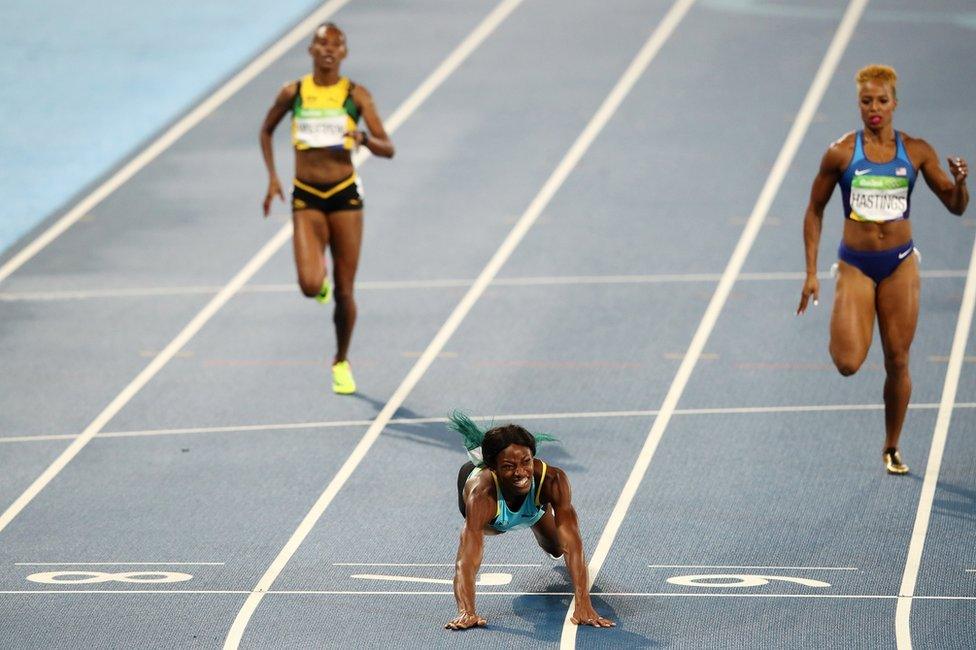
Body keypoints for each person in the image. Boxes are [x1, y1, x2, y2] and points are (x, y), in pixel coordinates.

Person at [797, 64, 968, 474]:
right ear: (859, 104)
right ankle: (848, 307)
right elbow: (814, 211)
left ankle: (892, 446)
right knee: (848, 363)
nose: (874, 108)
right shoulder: (840, 152)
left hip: (899, 264)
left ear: (895, 103)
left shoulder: (916, 151)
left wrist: (961, 183)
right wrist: (811, 272)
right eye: (866, 101)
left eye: (882, 101)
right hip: (856, 265)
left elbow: (956, 206)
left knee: (897, 358)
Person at [259, 22, 394, 394]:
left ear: (344, 52)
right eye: (322, 44)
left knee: (345, 291)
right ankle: (318, 286)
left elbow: (388, 147)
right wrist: (273, 177)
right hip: (306, 194)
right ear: (311, 51)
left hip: (345, 195)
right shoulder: (295, 92)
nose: (329, 49)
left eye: (337, 44)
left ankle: (340, 360)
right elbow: (266, 130)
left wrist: (363, 137)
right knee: (309, 284)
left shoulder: (356, 95)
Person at [446, 411, 614, 631]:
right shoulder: (481, 495)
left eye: (526, 461)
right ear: (493, 468)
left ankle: (532, 515)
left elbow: (572, 543)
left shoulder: (553, 480)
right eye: (508, 466)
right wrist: (467, 611)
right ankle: (518, 504)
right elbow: (467, 559)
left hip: (531, 507)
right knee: (491, 528)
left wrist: (583, 603)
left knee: (556, 548)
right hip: (493, 518)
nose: (520, 472)